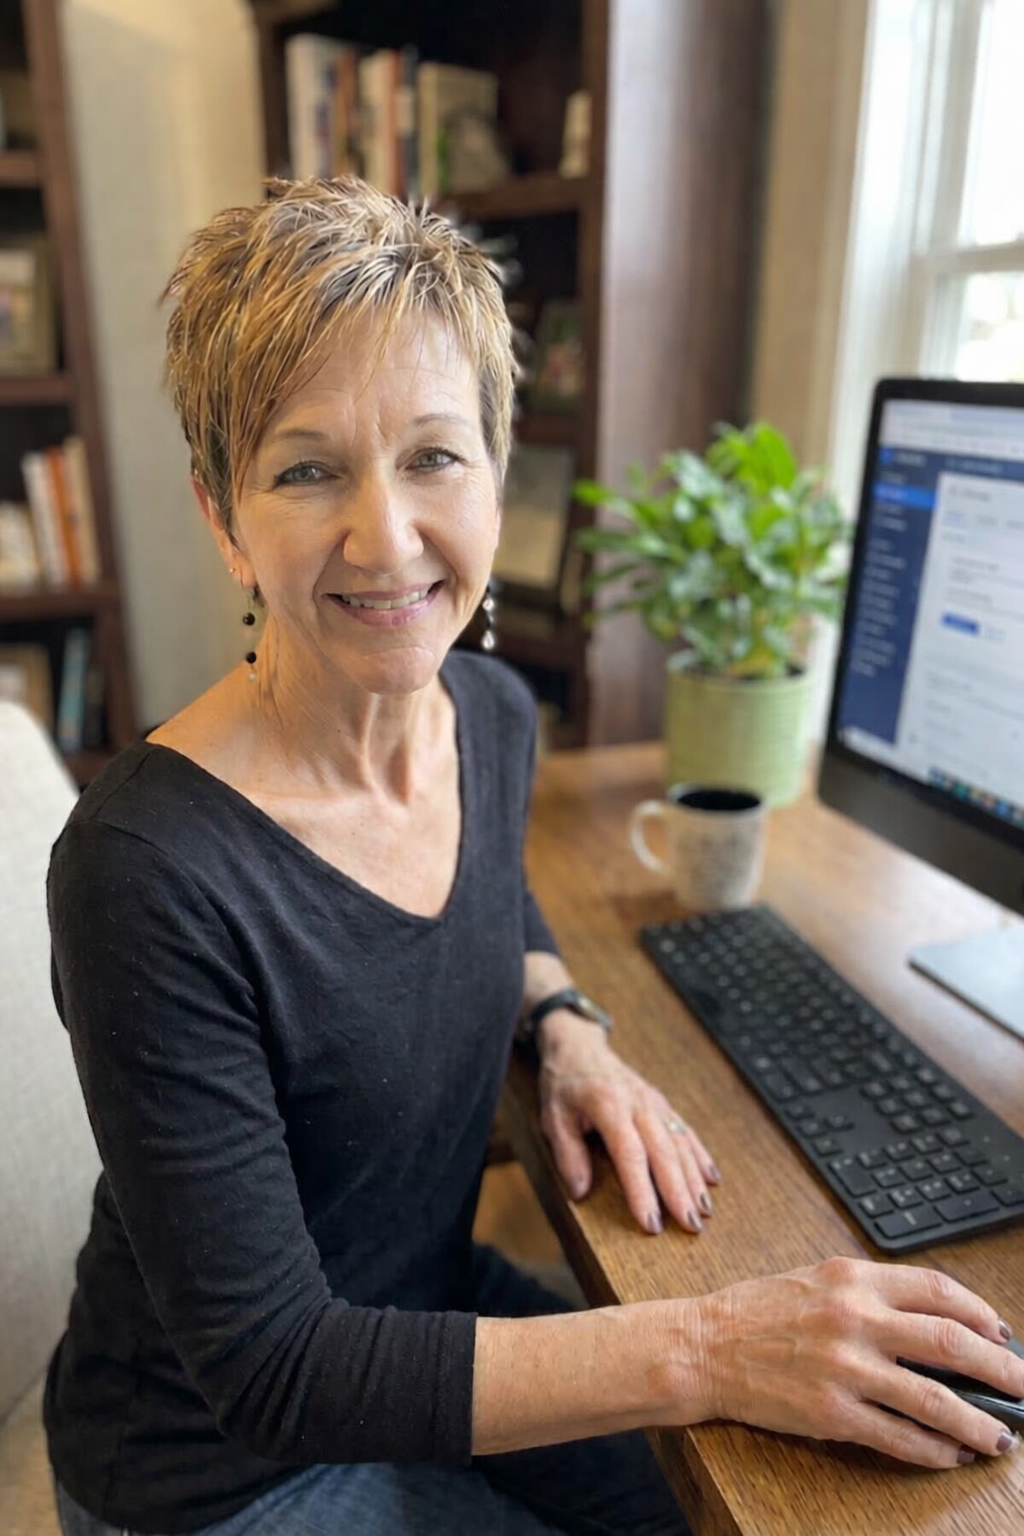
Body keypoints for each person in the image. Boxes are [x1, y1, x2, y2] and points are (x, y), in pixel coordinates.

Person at [45, 177, 1023, 1536]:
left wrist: (563, 1025)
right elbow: (275, 1368)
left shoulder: (491, 718)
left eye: (435, 456)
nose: (385, 538)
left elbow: (482, 910)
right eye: (308, 466)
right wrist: (721, 1341)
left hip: (424, 1304)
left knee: (765, 1495)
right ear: (224, 515)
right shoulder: (146, 869)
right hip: (218, 1466)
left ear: (499, 479)